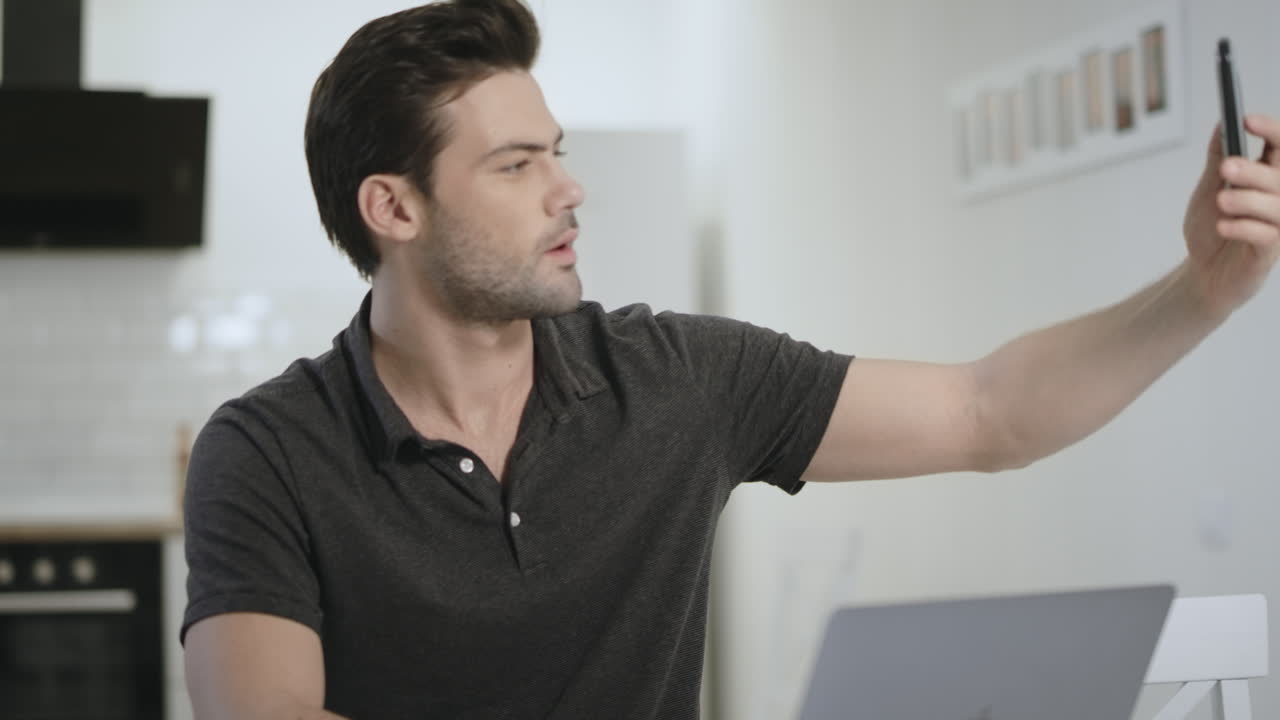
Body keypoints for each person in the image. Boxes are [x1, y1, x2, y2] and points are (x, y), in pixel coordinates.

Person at [179, 1, 1280, 718]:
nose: (569, 190)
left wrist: (1202, 292)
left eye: (555, 155)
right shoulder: (268, 451)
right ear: (394, 207)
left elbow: (987, 413)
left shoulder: (677, 379)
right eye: (515, 166)